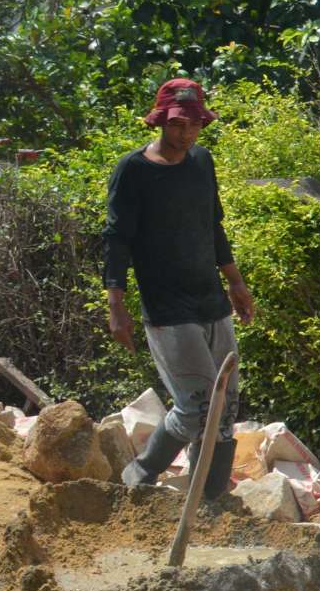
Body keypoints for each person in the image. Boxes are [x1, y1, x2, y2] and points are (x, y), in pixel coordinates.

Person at [103, 78, 255, 495]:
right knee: (197, 409)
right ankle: (139, 474)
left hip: (211, 301)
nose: (184, 133)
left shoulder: (201, 162)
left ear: (201, 123)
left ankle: (210, 501)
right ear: (159, 120)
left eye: (192, 125)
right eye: (175, 125)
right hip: (168, 309)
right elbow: (117, 239)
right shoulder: (133, 171)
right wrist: (116, 304)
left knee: (225, 408)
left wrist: (236, 284)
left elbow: (213, 227)